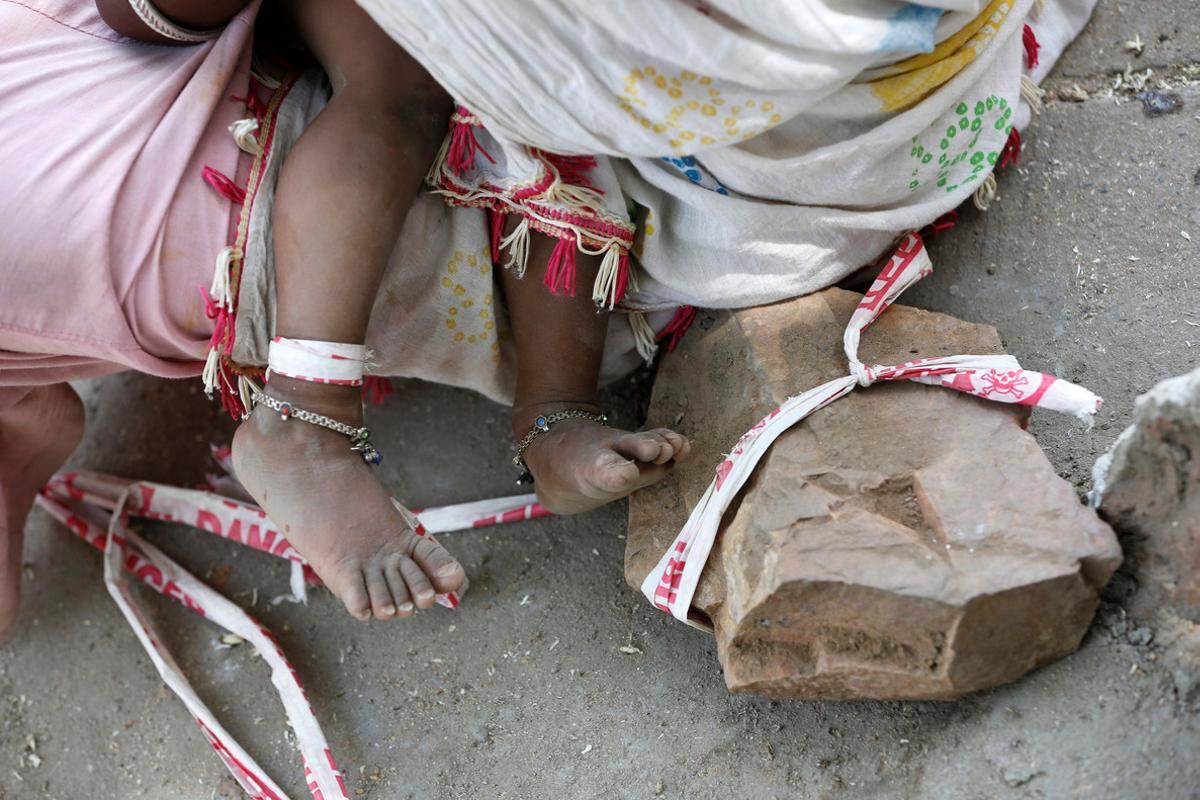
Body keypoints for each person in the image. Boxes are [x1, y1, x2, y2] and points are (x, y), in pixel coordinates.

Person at [0, 0, 690, 637]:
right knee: (437, 81)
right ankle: (512, 412)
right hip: (226, 164)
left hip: (205, 180)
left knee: (454, 74)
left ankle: (541, 417)